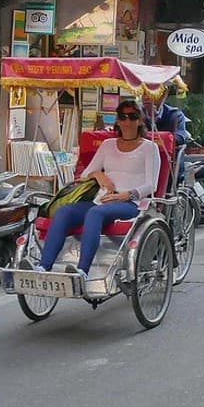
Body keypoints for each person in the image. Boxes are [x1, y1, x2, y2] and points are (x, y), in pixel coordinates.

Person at [34, 101, 160, 280]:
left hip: (131, 203)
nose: (127, 121)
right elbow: (86, 173)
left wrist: (124, 195)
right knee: (64, 211)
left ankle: (82, 271)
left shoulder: (149, 148)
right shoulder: (108, 145)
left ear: (140, 120)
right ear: (117, 120)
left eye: (132, 117)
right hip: (102, 199)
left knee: (95, 213)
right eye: (123, 117)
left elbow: (151, 185)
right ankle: (43, 266)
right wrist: (101, 177)